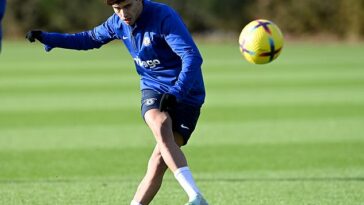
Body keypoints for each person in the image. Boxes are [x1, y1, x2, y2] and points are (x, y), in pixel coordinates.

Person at [26, 0, 208, 205]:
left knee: (159, 161)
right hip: (153, 87)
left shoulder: (163, 17)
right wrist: (49, 38)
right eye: (117, 9)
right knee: (160, 122)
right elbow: (88, 39)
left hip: (187, 92)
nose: (123, 13)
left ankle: (183, 200)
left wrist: (177, 92)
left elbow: (192, 57)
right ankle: (195, 196)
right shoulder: (117, 22)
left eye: (128, 6)